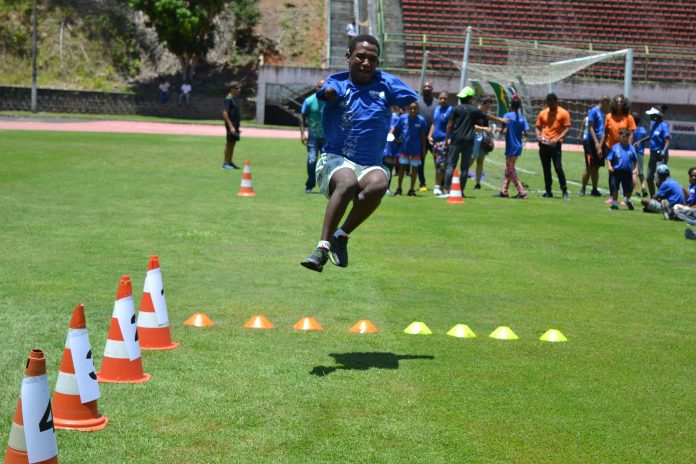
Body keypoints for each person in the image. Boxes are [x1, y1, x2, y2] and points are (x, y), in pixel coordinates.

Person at [300, 35, 418, 272]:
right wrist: (329, 94)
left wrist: (407, 104)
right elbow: (325, 92)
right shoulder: (339, 82)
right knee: (347, 181)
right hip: (335, 159)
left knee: (380, 183)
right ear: (348, 57)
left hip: (369, 163)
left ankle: (341, 237)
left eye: (372, 59)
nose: (366, 63)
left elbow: (412, 99)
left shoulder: (386, 83)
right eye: (361, 57)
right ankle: (321, 248)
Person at [443, 86, 507, 197]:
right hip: (468, 141)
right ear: (470, 98)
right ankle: (460, 191)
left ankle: (446, 190)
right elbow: (487, 116)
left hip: (456, 140)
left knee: (450, 165)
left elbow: (449, 125)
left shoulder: (455, 109)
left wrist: (446, 139)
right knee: (464, 168)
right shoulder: (474, 110)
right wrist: (500, 119)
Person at [599, 95, 635, 204]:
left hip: (624, 149)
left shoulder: (629, 117)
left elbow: (632, 133)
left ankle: (626, 198)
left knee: (625, 172)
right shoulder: (609, 116)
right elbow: (605, 133)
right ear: (614, 103)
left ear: (624, 104)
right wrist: (600, 147)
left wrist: (629, 147)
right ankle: (612, 196)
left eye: (621, 102)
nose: (619, 103)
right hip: (611, 148)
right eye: (617, 102)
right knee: (612, 173)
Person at [535, 93, 571, 199]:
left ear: (556, 102)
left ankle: (564, 191)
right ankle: (548, 191)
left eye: (551, 103)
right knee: (546, 169)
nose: (550, 105)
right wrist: (538, 136)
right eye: (548, 103)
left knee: (558, 168)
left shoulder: (563, 113)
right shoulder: (543, 113)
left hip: (555, 145)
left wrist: (557, 138)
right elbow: (538, 126)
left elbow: (567, 128)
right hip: (544, 144)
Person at [496, 95, 529, 199]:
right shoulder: (522, 118)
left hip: (511, 145)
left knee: (511, 169)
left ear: (510, 105)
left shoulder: (507, 115)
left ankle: (521, 191)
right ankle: (504, 191)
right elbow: (526, 133)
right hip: (518, 145)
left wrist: (498, 130)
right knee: (509, 168)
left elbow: (504, 131)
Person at [394, 102, 427, 196]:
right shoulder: (402, 118)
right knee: (402, 168)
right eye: (411, 108)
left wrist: (423, 148)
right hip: (404, 148)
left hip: (416, 149)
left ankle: (412, 189)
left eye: (414, 108)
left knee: (415, 169)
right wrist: (395, 139)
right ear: (408, 108)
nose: (412, 110)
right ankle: (399, 188)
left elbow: (423, 135)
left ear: (417, 109)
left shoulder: (421, 120)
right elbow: (396, 129)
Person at [299, 80, 326, 193]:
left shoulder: (331, 101)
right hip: (313, 137)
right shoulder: (309, 100)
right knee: (312, 160)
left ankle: (327, 185)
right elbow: (302, 116)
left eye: (323, 87)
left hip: (327, 138)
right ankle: (310, 184)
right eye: (319, 87)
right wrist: (302, 133)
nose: (320, 89)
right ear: (316, 88)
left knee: (327, 163)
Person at [580, 96, 610, 197]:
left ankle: (594, 189)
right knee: (589, 166)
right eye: (608, 104)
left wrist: (600, 145)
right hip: (591, 143)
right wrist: (597, 143)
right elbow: (591, 128)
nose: (608, 106)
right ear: (604, 102)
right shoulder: (594, 111)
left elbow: (602, 131)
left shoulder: (602, 113)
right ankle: (583, 188)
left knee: (596, 167)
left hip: (599, 143)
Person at [606, 129, 638, 210]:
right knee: (614, 187)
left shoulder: (631, 148)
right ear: (619, 137)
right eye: (623, 137)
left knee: (630, 188)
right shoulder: (615, 147)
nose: (625, 139)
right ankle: (615, 204)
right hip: (616, 171)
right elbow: (609, 158)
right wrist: (609, 166)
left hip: (627, 171)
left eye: (627, 137)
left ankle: (627, 200)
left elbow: (635, 159)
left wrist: (636, 168)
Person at [427, 91, 451, 196]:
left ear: (447, 99)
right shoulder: (437, 109)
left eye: (444, 98)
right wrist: (429, 135)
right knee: (438, 165)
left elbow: (450, 125)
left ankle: (438, 186)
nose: (442, 100)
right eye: (441, 98)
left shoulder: (450, 110)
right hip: (435, 142)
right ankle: (441, 186)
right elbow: (434, 123)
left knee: (440, 165)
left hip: (443, 141)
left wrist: (447, 139)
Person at [643, 107, 671, 197]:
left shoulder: (664, 125)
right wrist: (640, 141)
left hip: (661, 155)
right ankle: (653, 197)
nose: (650, 116)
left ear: (656, 115)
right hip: (653, 154)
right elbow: (651, 136)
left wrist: (663, 151)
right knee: (649, 177)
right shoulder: (654, 124)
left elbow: (667, 140)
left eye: (651, 114)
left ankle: (662, 197)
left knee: (659, 178)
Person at [470, 96, 496, 190]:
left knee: (480, 161)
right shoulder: (474, 112)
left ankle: (478, 183)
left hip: (483, 138)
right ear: (483, 104)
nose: (488, 108)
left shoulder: (486, 115)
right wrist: (484, 128)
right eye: (487, 106)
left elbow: (486, 127)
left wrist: (491, 134)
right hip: (475, 137)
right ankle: (461, 176)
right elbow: (473, 126)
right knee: (471, 160)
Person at [416, 81, 436, 191]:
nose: (427, 88)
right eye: (425, 86)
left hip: (434, 138)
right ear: (422, 89)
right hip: (421, 138)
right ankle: (422, 183)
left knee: (438, 161)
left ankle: (439, 184)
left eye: (429, 86)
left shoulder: (437, 103)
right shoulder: (418, 103)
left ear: (432, 88)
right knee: (420, 162)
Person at [383, 106, 402, 194]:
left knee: (387, 166)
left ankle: (386, 188)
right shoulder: (396, 118)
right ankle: (386, 188)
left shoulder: (393, 117)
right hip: (389, 145)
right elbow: (393, 130)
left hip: (390, 145)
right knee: (388, 167)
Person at [222, 82, 241, 170]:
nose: (239, 90)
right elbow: (225, 113)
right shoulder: (228, 98)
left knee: (233, 143)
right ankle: (225, 163)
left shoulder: (234, 98)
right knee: (229, 143)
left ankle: (230, 162)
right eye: (237, 88)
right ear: (232, 89)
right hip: (231, 125)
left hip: (235, 125)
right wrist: (231, 126)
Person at [632, 112, 649, 198]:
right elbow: (648, 137)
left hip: (632, 152)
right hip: (641, 153)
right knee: (641, 172)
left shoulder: (631, 129)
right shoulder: (643, 129)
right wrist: (641, 141)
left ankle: (637, 191)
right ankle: (644, 188)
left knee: (634, 172)